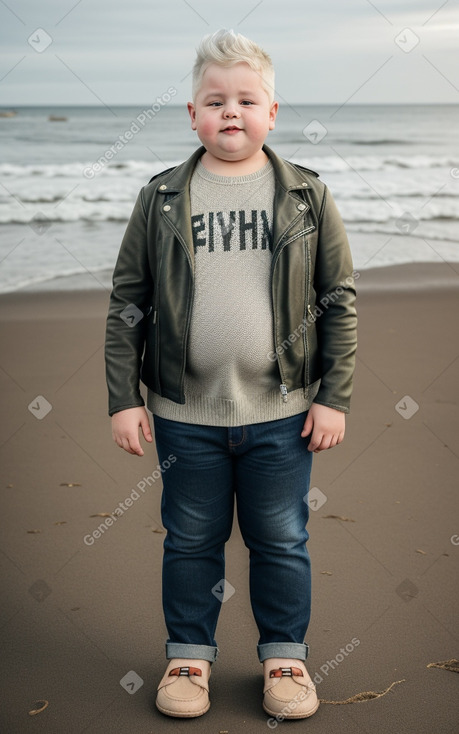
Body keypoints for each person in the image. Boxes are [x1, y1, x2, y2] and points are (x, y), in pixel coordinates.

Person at [105, 28, 357, 720]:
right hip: (185, 416)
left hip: (282, 412)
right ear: (192, 114)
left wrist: (333, 397)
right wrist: (122, 400)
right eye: (214, 100)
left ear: (272, 112)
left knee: (281, 539)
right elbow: (128, 301)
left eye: (247, 100)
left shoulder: (306, 196)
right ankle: (188, 657)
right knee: (190, 539)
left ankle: (285, 658)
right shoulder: (160, 199)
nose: (231, 112)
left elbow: (338, 301)